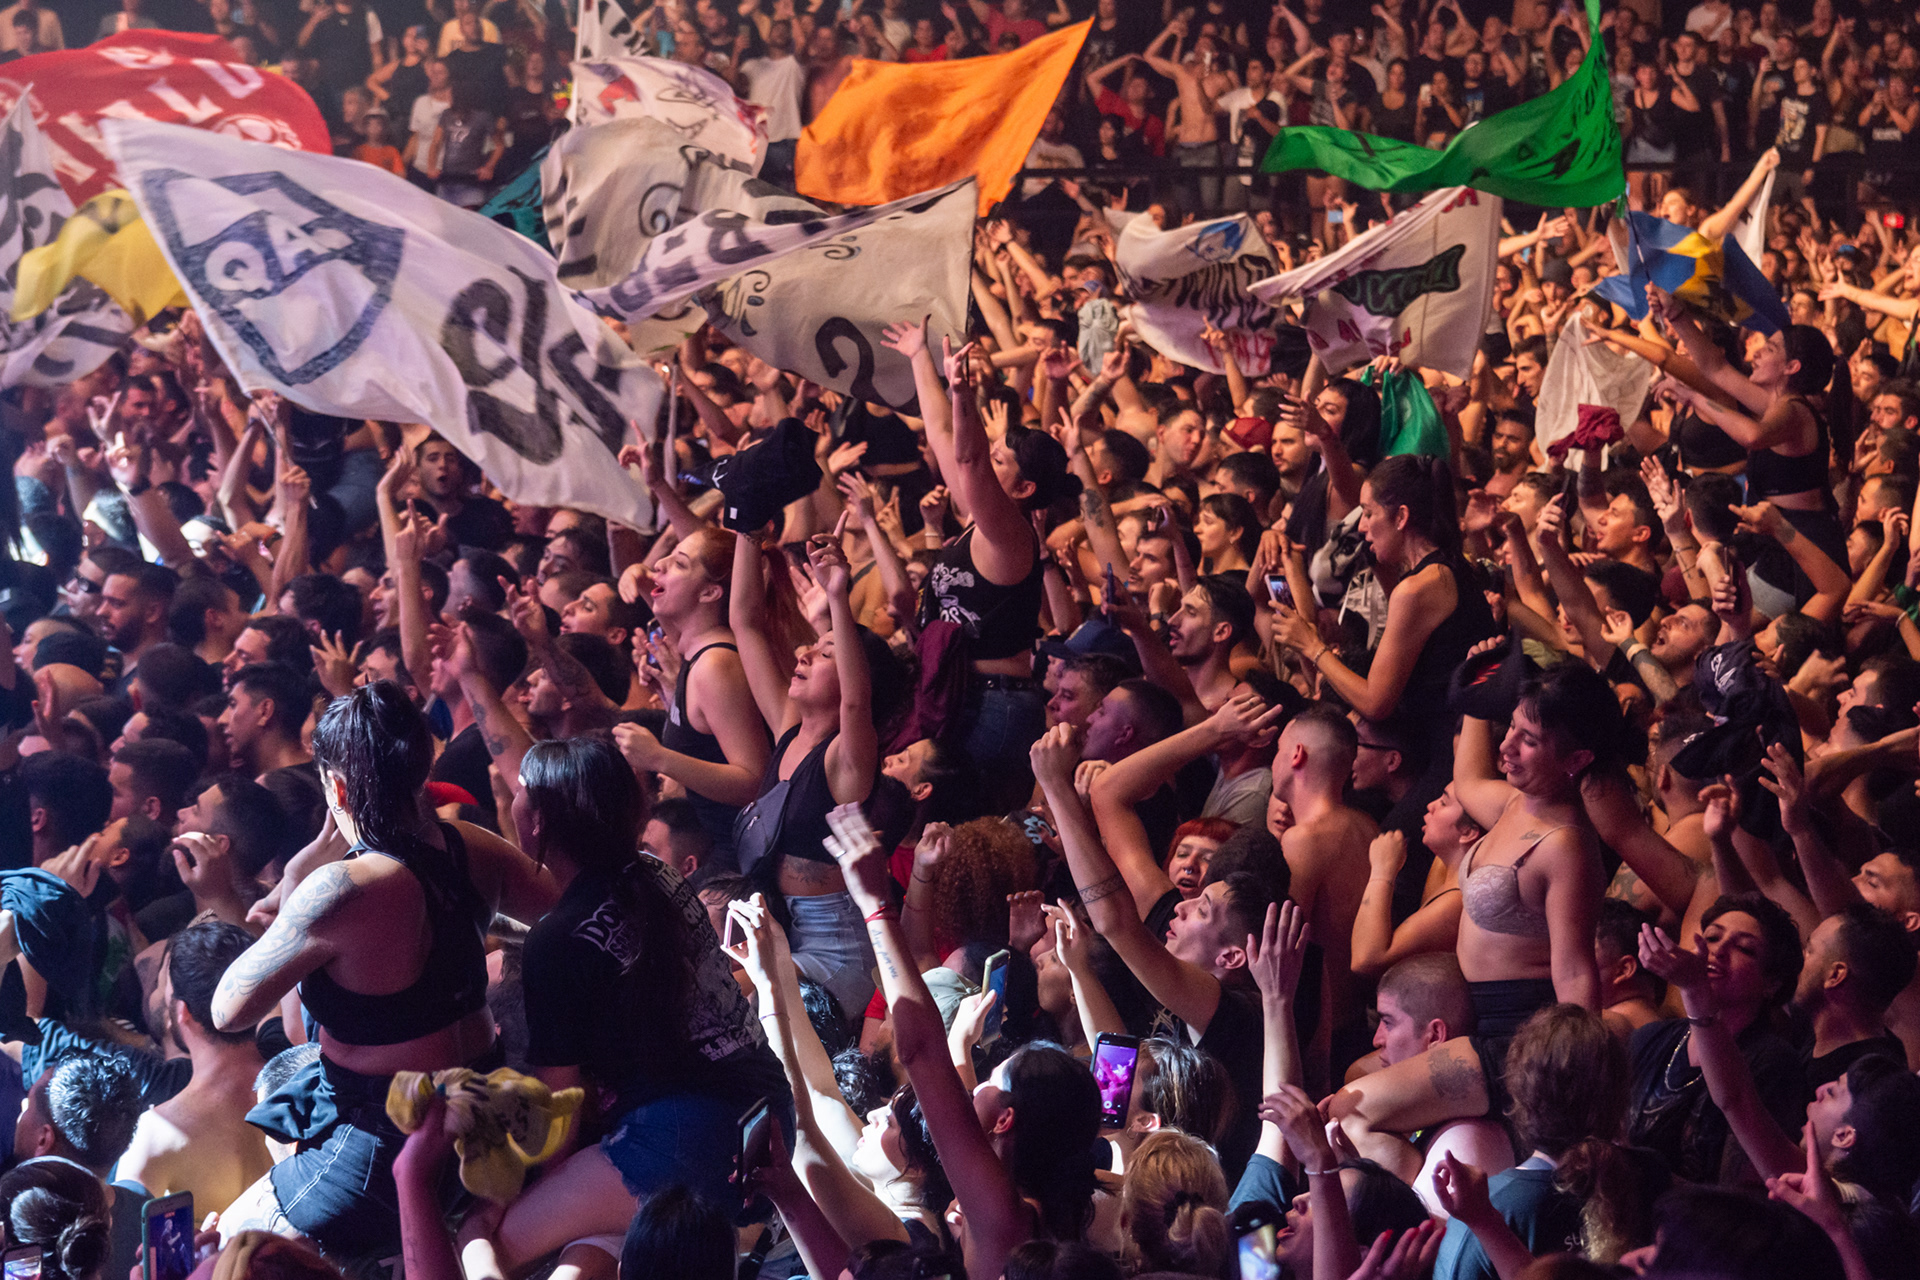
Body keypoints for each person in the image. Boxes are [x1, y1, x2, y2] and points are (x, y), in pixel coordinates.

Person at [210, 682, 554, 1260]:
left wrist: (296, 888)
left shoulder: (341, 887)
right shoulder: (470, 845)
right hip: (487, 1125)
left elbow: (227, 1009)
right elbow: (559, 911)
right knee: (289, 1079)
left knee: (223, 1254)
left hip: (384, 1148)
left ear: (338, 788)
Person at [478, 736, 789, 1268]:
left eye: (521, 788)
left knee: (495, 1240)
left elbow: (561, 1103)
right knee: (595, 1238)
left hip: (689, 1141)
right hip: (769, 1117)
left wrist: (545, 1192)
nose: (513, 796)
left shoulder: (555, 941)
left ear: (540, 820)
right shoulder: (658, 874)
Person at [1324, 664, 1619, 1148]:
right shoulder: (1512, 805)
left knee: (1345, 1115)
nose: (1508, 748)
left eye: (1529, 740)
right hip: (1475, 1024)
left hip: (1515, 1040)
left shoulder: (1565, 844)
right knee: (1344, 1107)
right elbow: (1465, 779)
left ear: (1577, 757)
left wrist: (1575, 1084)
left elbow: (1575, 972)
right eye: (1512, 731)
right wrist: (1478, 705)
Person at [880, 320, 1079, 811]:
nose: (987, 465)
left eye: (1001, 461)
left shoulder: (1012, 535)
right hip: (971, 694)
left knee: (967, 827)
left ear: (1025, 487)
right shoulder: (981, 523)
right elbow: (945, 437)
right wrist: (917, 358)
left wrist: (962, 392)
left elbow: (968, 461)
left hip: (996, 706)